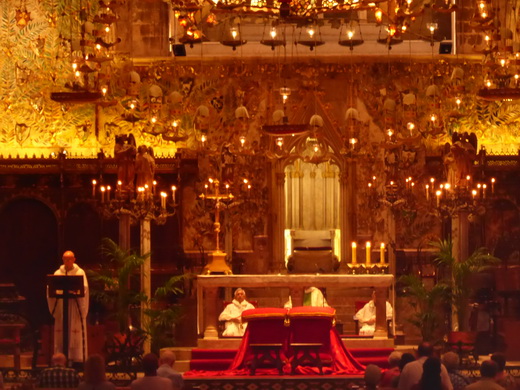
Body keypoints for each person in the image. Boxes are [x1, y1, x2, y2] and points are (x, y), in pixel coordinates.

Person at [47, 250, 89, 363]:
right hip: (62, 305)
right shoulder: (57, 273)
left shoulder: (80, 272)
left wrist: (75, 291)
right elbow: (51, 287)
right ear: (63, 260)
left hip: (75, 306)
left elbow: (84, 288)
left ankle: (75, 358)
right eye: (65, 259)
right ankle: (61, 358)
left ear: (74, 259)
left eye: (70, 259)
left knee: (74, 330)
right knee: (62, 331)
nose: (68, 261)